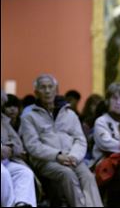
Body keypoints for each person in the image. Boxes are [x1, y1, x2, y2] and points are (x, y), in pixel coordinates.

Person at [19, 74, 103, 207]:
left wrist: (73, 156)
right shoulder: (29, 117)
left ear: (56, 90)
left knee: (88, 176)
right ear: (36, 92)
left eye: (50, 87)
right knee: (67, 174)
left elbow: (80, 139)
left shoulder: (69, 113)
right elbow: (33, 145)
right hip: (46, 161)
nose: (47, 91)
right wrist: (57, 156)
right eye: (43, 87)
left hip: (71, 157)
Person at [1, 89, 37, 207]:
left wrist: (10, 149)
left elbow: (18, 144)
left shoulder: (3, 121)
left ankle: (22, 203)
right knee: (3, 174)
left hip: (5, 160)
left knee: (24, 172)